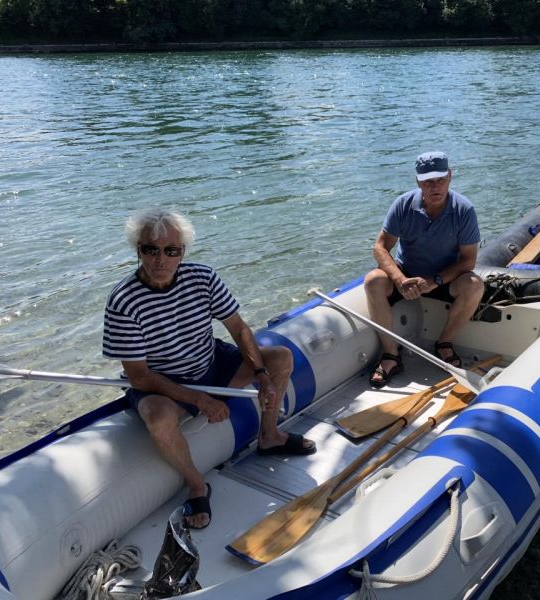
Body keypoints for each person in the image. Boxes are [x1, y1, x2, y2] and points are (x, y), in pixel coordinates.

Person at [103, 208, 316, 529]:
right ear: (138, 250)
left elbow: (239, 329)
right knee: (158, 418)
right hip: (163, 381)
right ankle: (197, 485)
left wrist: (260, 374)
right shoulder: (123, 301)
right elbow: (139, 376)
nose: (161, 259)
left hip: (212, 362)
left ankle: (270, 435)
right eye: (151, 249)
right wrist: (199, 400)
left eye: (171, 250)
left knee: (281, 358)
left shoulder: (202, 277)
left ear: (182, 252)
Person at [364, 151, 483, 387]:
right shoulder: (402, 204)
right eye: (428, 181)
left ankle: (444, 342)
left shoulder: (464, 210)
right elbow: (380, 248)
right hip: (406, 274)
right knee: (373, 281)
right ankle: (390, 355)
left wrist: (435, 280)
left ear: (450, 176)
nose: (435, 187)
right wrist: (398, 279)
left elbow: (468, 260)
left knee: (474, 285)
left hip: (444, 277)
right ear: (417, 181)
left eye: (440, 179)